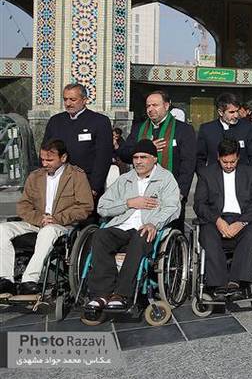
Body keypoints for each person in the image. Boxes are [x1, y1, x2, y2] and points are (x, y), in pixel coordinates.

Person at [85, 139, 180, 314]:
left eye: (143, 157)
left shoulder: (166, 178)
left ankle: (121, 294)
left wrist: (154, 223)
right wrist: (129, 203)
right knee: (99, 235)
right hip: (121, 227)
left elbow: (173, 208)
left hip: (148, 228)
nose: (138, 161)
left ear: (154, 159)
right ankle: (101, 294)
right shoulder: (125, 179)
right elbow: (102, 207)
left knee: (141, 234)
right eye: (135, 157)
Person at [0, 140, 93, 296]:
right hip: (36, 222)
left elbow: (85, 207)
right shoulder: (35, 176)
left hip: (63, 224)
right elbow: (24, 205)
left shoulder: (76, 176)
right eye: (42, 159)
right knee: (2, 229)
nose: (45, 163)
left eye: (49, 160)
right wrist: (39, 219)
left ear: (63, 158)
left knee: (48, 231)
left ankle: (29, 280)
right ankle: (5, 280)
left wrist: (56, 219)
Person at [193, 139, 252, 296]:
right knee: (207, 236)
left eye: (232, 161)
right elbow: (199, 204)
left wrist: (240, 222)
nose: (229, 165)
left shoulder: (250, 173)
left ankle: (236, 282)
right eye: (225, 162)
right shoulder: (206, 173)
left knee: (251, 234)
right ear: (218, 157)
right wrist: (218, 221)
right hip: (216, 218)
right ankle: (218, 284)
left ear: (238, 157)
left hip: (242, 218)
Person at [118, 90, 196, 229]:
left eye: (155, 105)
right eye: (148, 106)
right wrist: (146, 148)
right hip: (141, 192)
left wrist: (181, 193)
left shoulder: (183, 130)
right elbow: (124, 154)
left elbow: (188, 164)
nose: (151, 109)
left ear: (166, 106)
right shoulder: (138, 129)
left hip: (171, 191)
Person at [42, 83, 113, 200]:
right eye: (65, 99)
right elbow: (45, 151)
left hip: (86, 183)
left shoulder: (100, 122)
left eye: (73, 99)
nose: (68, 103)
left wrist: (94, 187)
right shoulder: (55, 121)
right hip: (58, 183)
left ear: (84, 100)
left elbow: (103, 158)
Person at [196, 93, 252, 170]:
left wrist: (251, 176)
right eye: (231, 112)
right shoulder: (207, 129)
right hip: (214, 178)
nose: (236, 115)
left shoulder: (247, 127)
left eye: (237, 111)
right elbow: (200, 158)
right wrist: (204, 176)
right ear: (220, 112)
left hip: (242, 178)